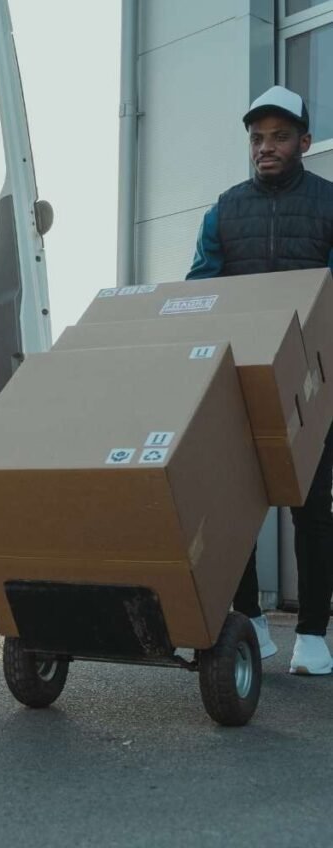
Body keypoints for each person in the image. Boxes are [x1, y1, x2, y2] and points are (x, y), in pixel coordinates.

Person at [187, 85, 333, 676]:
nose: (265, 147)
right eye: (256, 138)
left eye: (277, 137)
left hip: (312, 386)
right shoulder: (224, 209)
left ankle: (314, 636)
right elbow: (201, 288)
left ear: (304, 141)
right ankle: (247, 621)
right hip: (240, 378)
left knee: (311, 508)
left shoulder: (328, 204)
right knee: (238, 506)